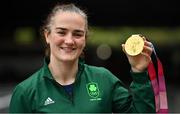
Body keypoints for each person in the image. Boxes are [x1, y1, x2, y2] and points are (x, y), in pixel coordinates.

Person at [9, 3, 155, 113]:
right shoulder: (25, 92)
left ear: (85, 39)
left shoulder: (103, 79)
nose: (69, 41)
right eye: (61, 32)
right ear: (47, 35)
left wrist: (139, 72)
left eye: (77, 34)